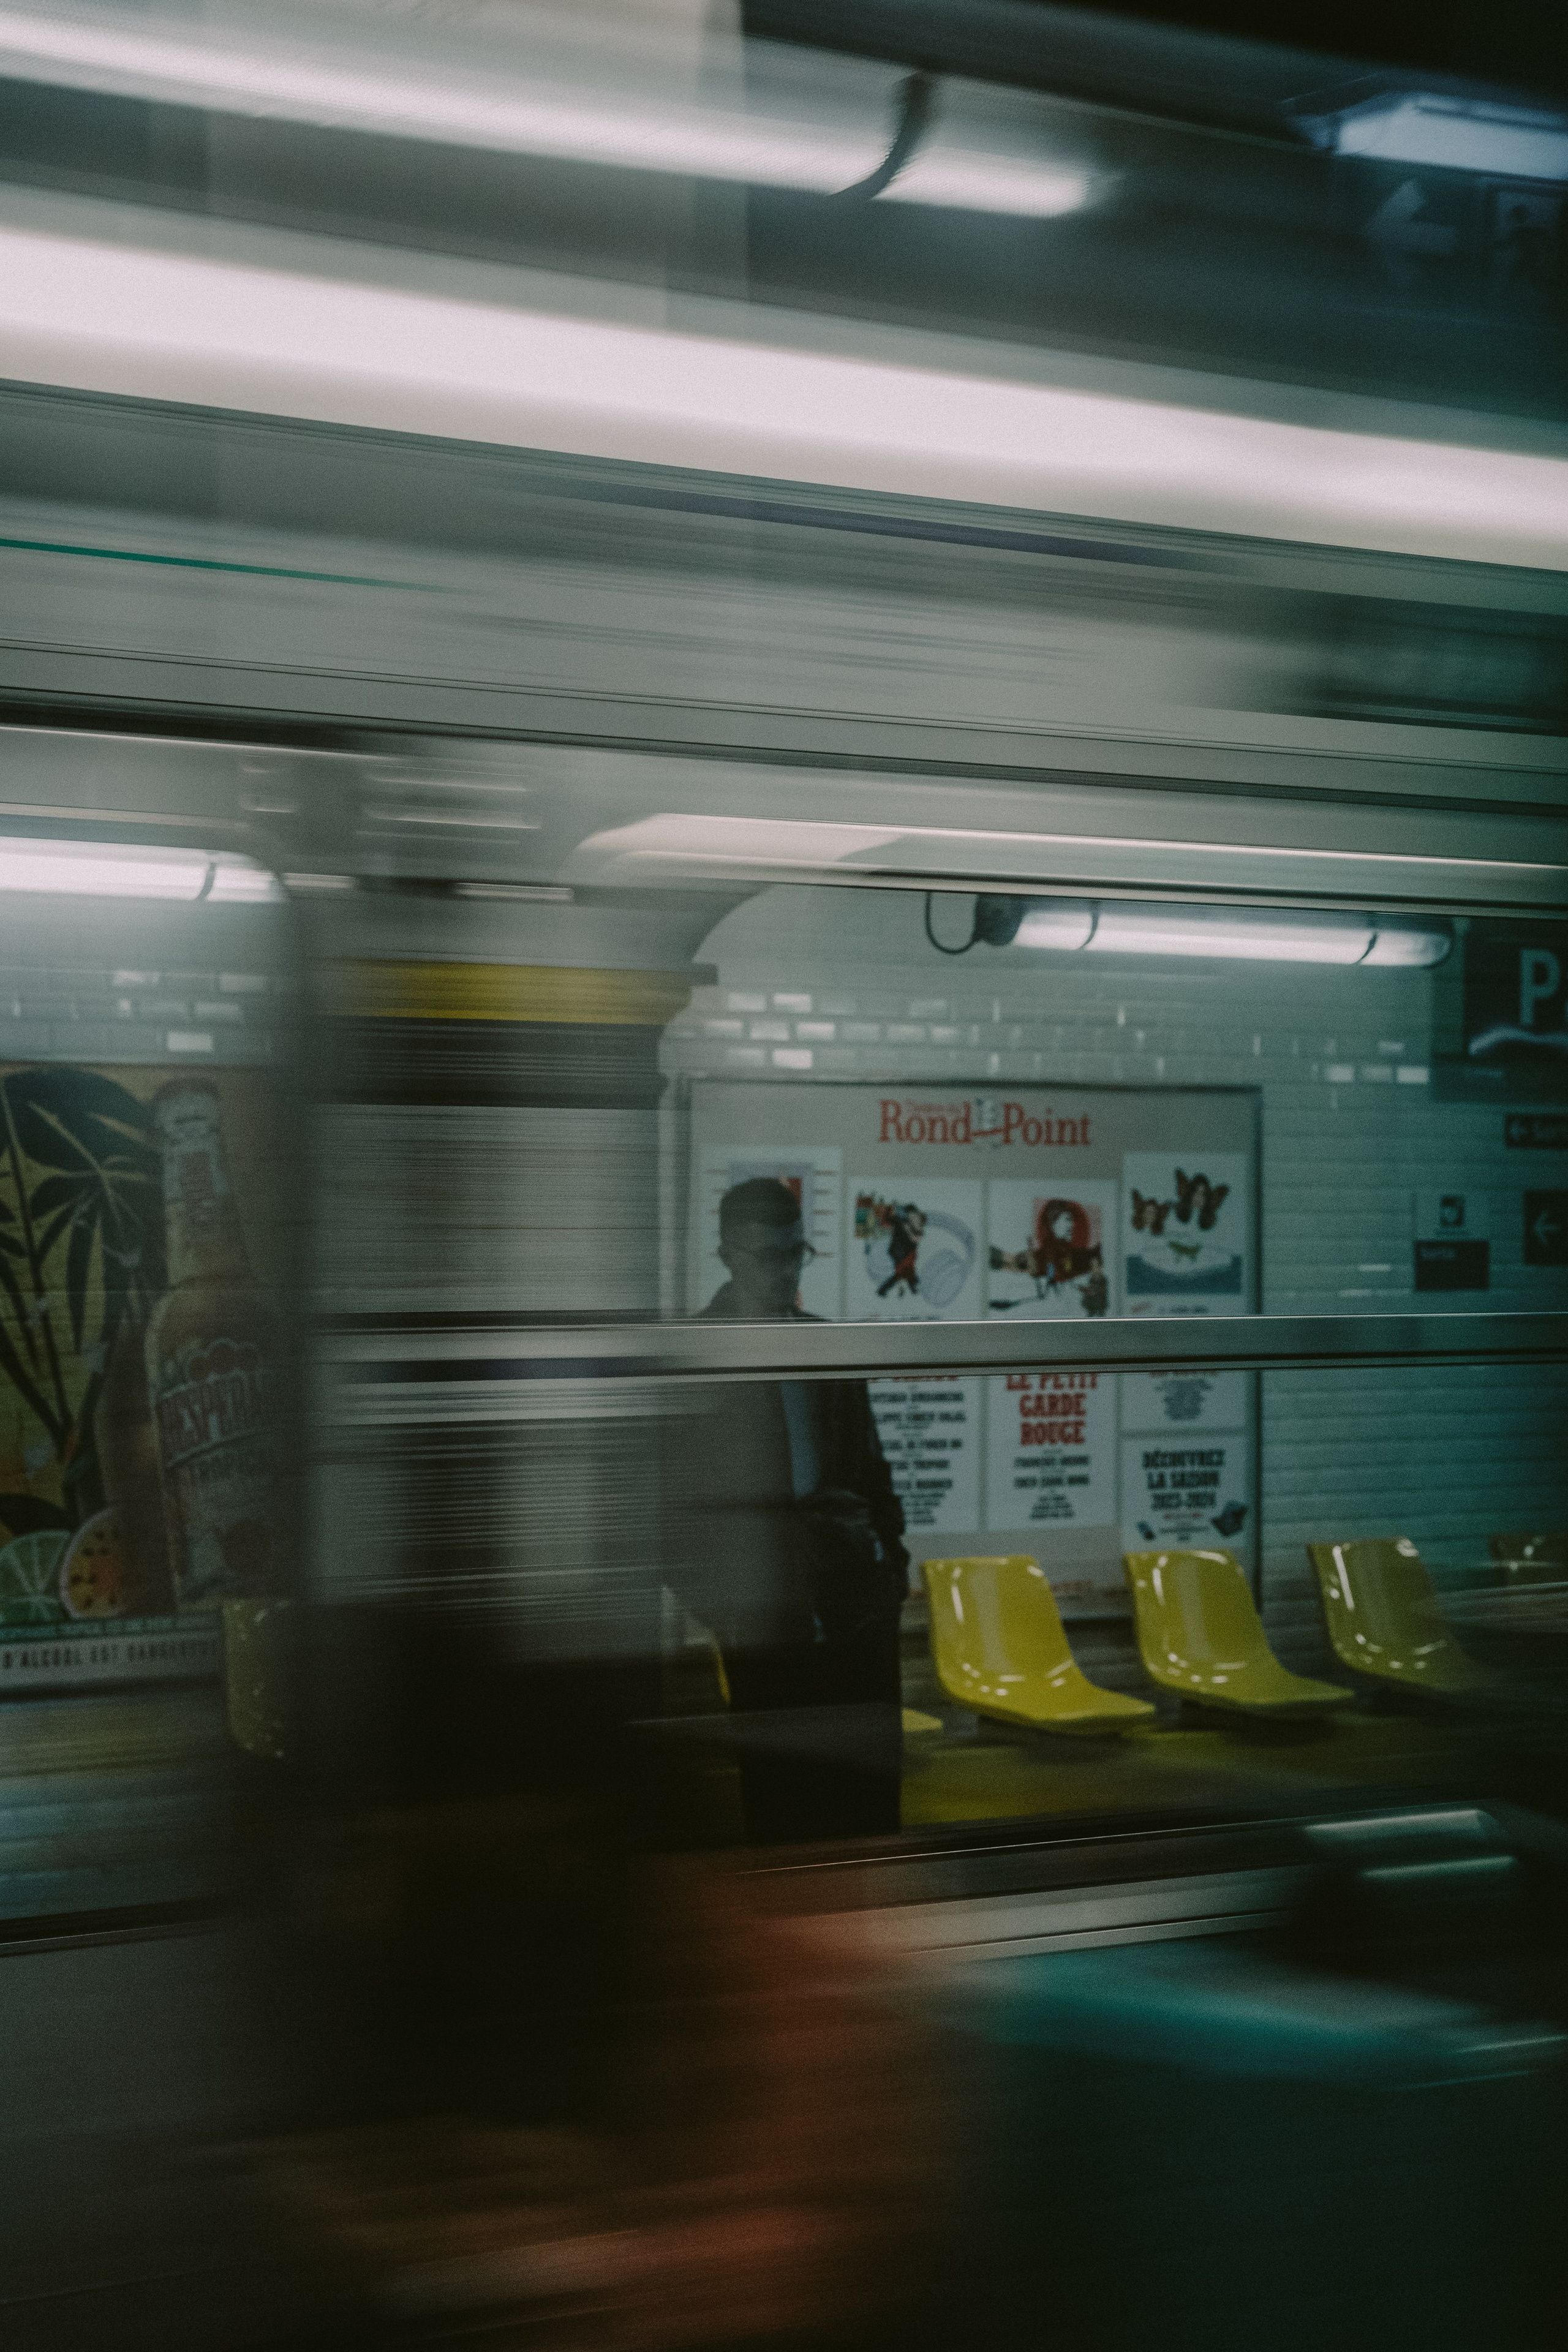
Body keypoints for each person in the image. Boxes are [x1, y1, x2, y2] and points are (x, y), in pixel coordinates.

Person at [672, 1177, 910, 1842]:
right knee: (785, 1808)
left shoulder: (825, 1347)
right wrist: (725, 1609)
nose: (783, 1272)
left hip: (850, 1594)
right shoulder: (697, 1354)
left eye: (793, 1254)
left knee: (865, 1804)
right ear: (726, 1257)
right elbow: (668, 1506)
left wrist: (890, 1568)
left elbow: (870, 1469)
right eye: (765, 1258)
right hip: (764, 1605)